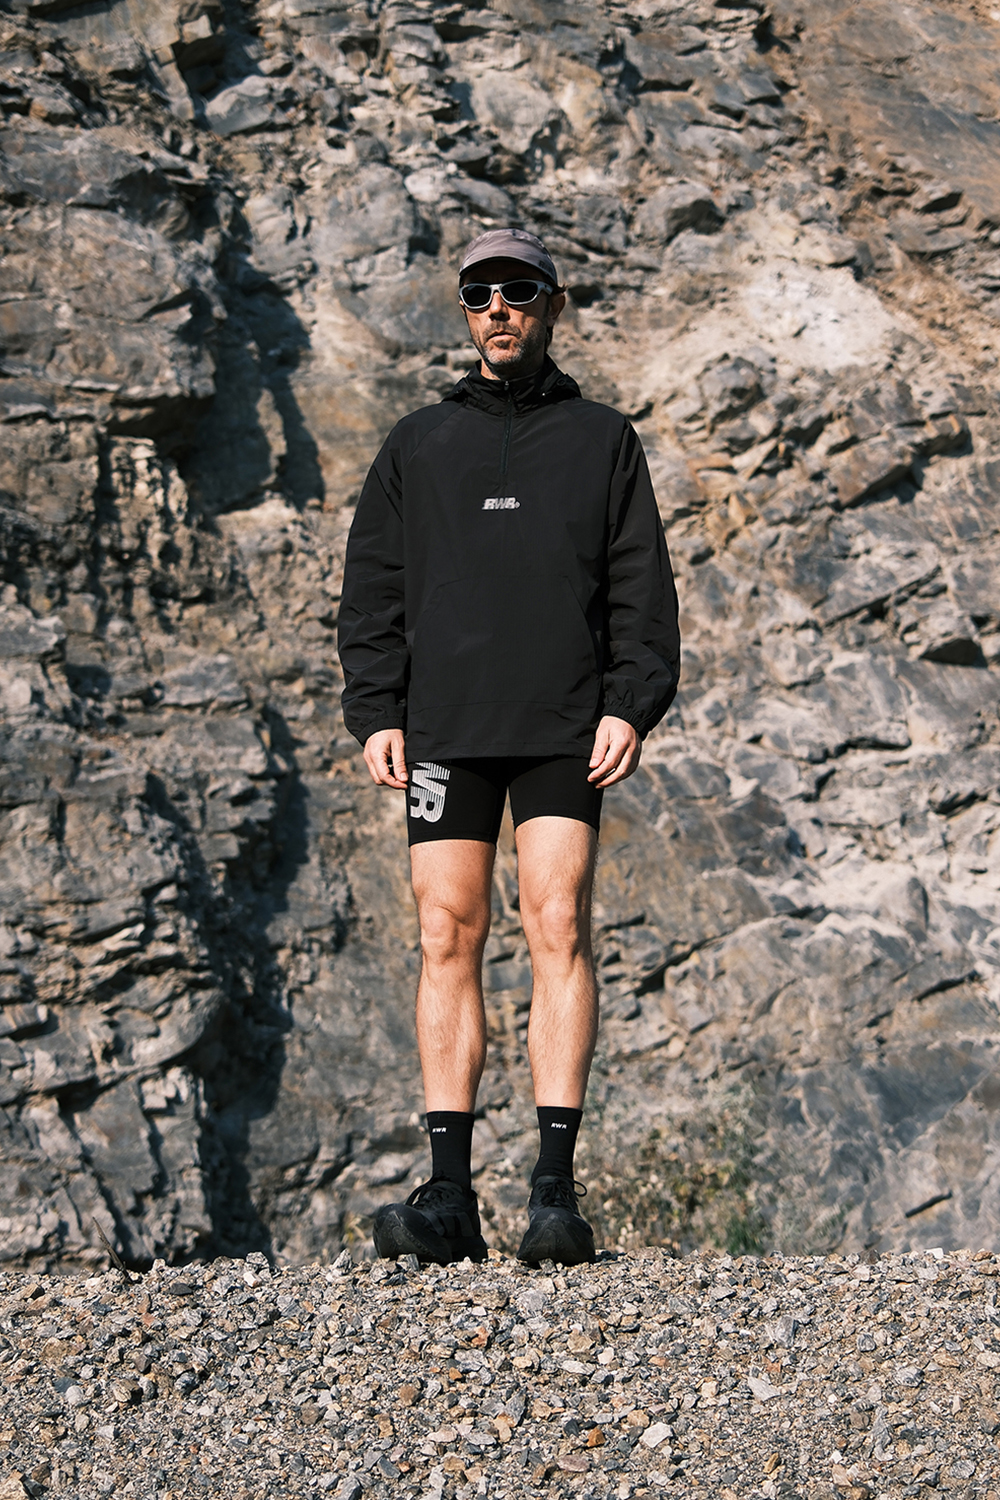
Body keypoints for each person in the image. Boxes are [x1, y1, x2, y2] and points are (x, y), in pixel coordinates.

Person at [337, 227, 680, 1266]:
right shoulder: (418, 442)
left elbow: (641, 584)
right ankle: (448, 1198)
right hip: (444, 726)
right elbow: (373, 589)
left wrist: (631, 704)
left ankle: (554, 1196)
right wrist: (377, 709)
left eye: (518, 290)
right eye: (480, 291)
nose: (498, 307)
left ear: (551, 306)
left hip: (565, 725)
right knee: (447, 932)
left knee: (557, 923)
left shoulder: (602, 438)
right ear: (464, 308)